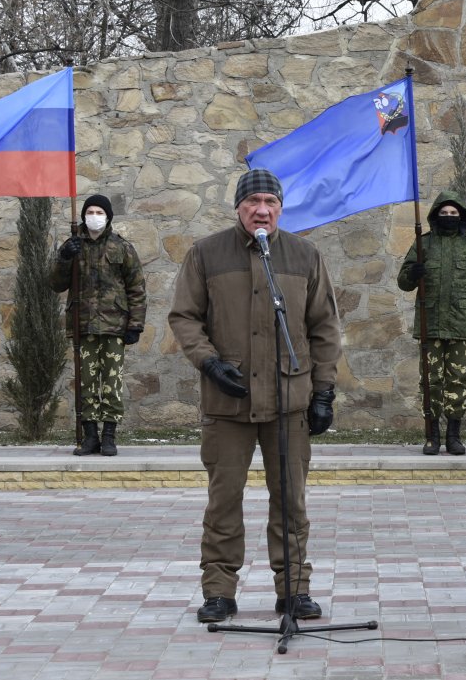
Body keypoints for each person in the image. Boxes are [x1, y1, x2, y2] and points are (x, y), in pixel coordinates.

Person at [168, 168, 342, 624]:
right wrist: (209, 362)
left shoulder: (304, 255)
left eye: (270, 202)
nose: (261, 210)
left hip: (289, 401)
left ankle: (294, 589)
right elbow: (184, 316)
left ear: (281, 208)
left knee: (290, 499)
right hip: (228, 402)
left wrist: (323, 391)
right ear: (239, 208)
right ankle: (220, 591)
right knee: (224, 499)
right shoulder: (206, 253)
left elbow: (324, 327)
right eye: (253, 203)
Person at [50, 194, 146, 458]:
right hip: (83, 326)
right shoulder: (73, 246)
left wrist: (135, 324)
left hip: (114, 325)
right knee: (86, 383)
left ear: (108, 217)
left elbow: (136, 288)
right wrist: (64, 258)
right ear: (83, 216)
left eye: (99, 212)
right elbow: (56, 283)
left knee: (111, 383)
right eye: (90, 212)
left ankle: (109, 436)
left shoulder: (121, 248)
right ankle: (90, 435)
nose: (94, 216)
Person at [397, 191, 466, 456]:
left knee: (458, 380)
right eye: (444, 213)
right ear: (436, 215)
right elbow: (403, 282)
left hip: (462, 326)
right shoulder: (423, 244)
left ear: (461, 216)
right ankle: (432, 435)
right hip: (431, 324)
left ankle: (453, 435)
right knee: (430, 380)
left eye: (454, 214)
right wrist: (413, 274)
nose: (449, 217)